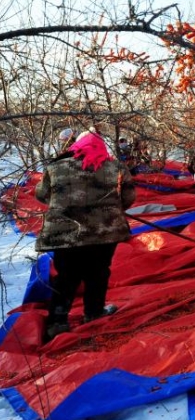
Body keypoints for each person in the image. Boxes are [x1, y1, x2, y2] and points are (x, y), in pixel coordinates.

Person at [35, 130, 137, 341]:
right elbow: (128, 197)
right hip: (105, 233)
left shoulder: (56, 167)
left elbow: (42, 194)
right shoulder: (116, 167)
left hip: (65, 233)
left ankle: (58, 321)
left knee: (66, 276)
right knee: (98, 272)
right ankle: (93, 313)